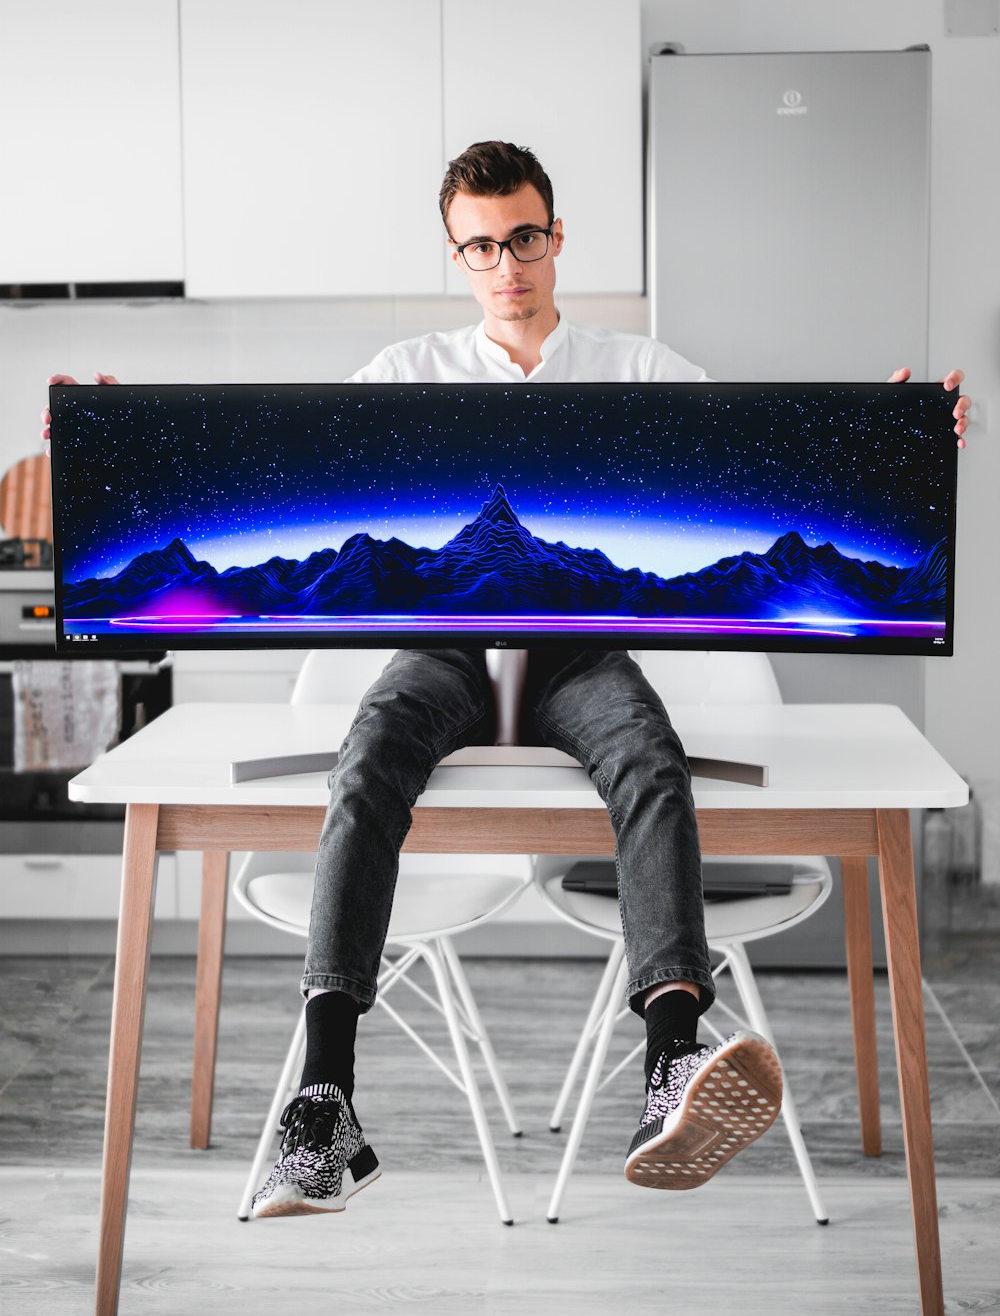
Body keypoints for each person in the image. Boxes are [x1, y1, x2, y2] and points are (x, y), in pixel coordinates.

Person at [43, 141, 970, 1220]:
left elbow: (765, 458)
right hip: (441, 648)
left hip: (577, 650)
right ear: (458, 254)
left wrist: (900, 436)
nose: (506, 263)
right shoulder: (402, 376)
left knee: (648, 758)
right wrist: (107, 431)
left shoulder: (638, 370)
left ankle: (671, 1055)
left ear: (555, 236)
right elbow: (263, 442)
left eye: (523, 237)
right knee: (368, 760)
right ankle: (324, 1098)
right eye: (481, 245)